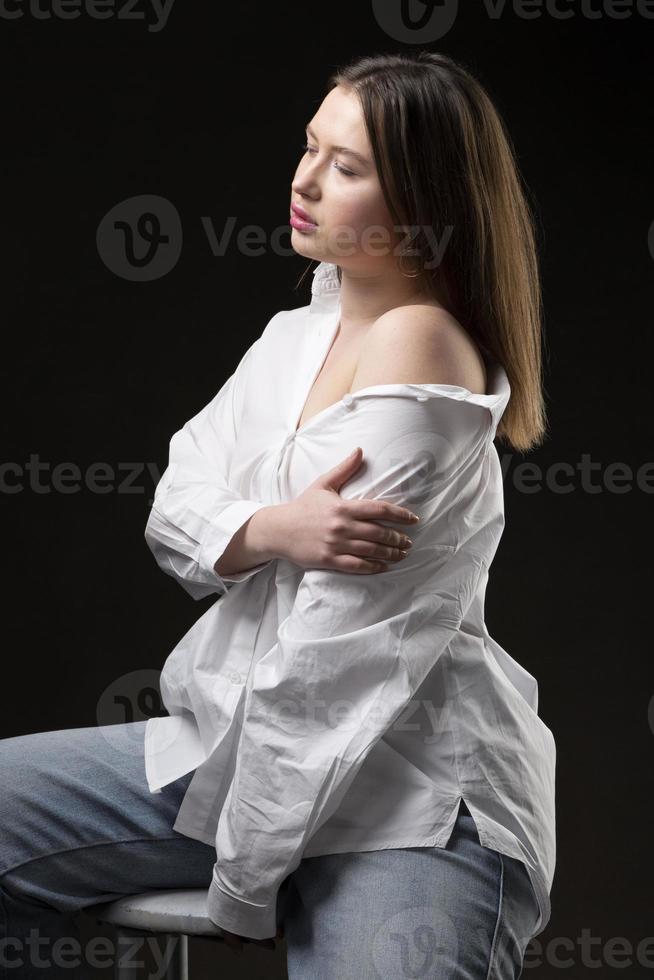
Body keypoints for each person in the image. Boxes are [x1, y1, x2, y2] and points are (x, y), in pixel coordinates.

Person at [0, 51, 555, 979]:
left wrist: (244, 885)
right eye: (309, 148)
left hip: (408, 802)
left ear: (426, 198)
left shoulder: (420, 342)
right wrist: (271, 531)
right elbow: (177, 498)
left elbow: (334, 667)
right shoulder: (292, 335)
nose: (303, 181)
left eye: (348, 167)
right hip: (235, 748)